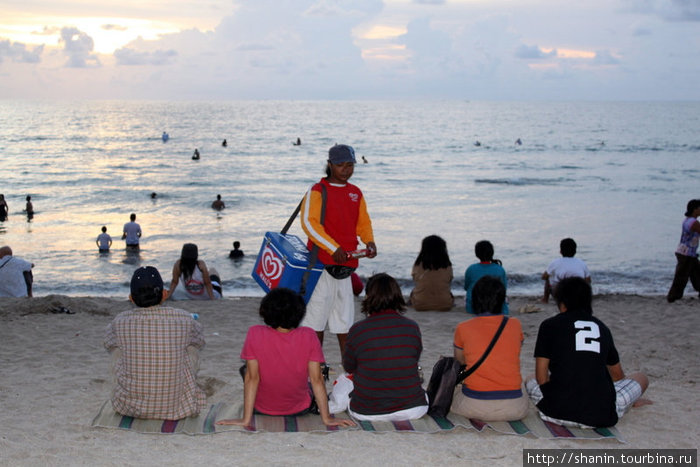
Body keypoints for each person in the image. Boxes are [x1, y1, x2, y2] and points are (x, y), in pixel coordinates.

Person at [216, 288, 355, 428]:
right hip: (300, 409)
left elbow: (252, 379)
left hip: (261, 409)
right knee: (309, 382)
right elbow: (316, 379)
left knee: (247, 370)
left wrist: (246, 420)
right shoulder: (309, 335)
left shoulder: (255, 333)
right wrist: (327, 418)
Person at [525, 277, 650, 428]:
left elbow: (541, 378)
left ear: (562, 303)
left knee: (530, 378)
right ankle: (633, 402)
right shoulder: (602, 328)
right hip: (600, 415)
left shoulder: (548, 326)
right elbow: (617, 375)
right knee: (641, 377)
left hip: (554, 412)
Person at [300, 144, 377, 357]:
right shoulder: (317, 190)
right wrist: (333, 248)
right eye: (340, 165)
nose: (346, 170)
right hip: (321, 265)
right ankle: (316, 372)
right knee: (315, 324)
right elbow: (309, 223)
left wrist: (369, 241)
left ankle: (349, 374)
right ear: (330, 165)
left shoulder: (355, 193)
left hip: (346, 267)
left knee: (344, 325)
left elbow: (363, 223)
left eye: (350, 165)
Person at [104, 266, 206, 420]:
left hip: (129, 408)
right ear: (164, 294)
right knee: (191, 348)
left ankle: (131, 393)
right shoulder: (184, 319)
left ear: (131, 298)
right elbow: (199, 341)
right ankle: (179, 392)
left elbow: (108, 343)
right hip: (176, 408)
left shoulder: (119, 321)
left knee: (117, 351)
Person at [342, 273, 427, 421]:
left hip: (367, 412)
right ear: (397, 296)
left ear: (368, 297)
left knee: (343, 381)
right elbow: (413, 358)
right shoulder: (412, 327)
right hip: (413, 409)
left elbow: (349, 367)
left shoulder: (358, 330)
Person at [451, 276, 528, 421]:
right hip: (514, 408)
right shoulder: (515, 324)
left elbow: (460, 362)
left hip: (474, 405)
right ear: (502, 300)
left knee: (455, 389)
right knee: (524, 382)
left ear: (474, 300)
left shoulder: (463, 328)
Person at [666, 199, 700, 302]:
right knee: (681, 277)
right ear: (695, 209)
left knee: (697, 274)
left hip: (689, 253)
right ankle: (672, 297)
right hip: (686, 254)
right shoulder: (693, 222)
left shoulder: (688, 220)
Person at [410, 235, 454, 311]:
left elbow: (415, 280)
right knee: (448, 292)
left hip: (419, 305)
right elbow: (449, 281)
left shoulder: (417, 264)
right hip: (445, 305)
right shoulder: (447, 265)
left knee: (413, 292)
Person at [464, 240, 509, 315]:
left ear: (476, 254)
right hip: (497, 309)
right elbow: (503, 288)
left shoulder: (471, 269)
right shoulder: (500, 269)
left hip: (473, 308)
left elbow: (466, 287)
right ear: (492, 253)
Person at [541, 238, 590, 303]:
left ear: (560, 251)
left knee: (548, 279)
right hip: (578, 294)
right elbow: (588, 280)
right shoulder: (582, 263)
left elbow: (544, 277)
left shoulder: (555, 263)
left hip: (561, 294)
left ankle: (545, 299)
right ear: (575, 251)